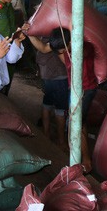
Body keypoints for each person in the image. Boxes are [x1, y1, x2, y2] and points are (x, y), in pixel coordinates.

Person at [27, 27, 96, 173]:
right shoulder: (61, 47)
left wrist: (72, 32)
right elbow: (44, 48)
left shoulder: (85, 47)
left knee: (77, 122)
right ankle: (79, 155)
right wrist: (30, 34)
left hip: (86, 89)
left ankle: (86, 161)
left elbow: (81, 52)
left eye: (63, 49)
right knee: (78, 122)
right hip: (74, 88)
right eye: (59, 51)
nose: (62, 53)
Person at [35, 39, 69, 147]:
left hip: (46, 76)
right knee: (60, 109)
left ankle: (46, 134)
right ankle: (61, 140)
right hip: (59, 76)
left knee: (47, 103)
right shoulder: (58, 39)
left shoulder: (41, 38)